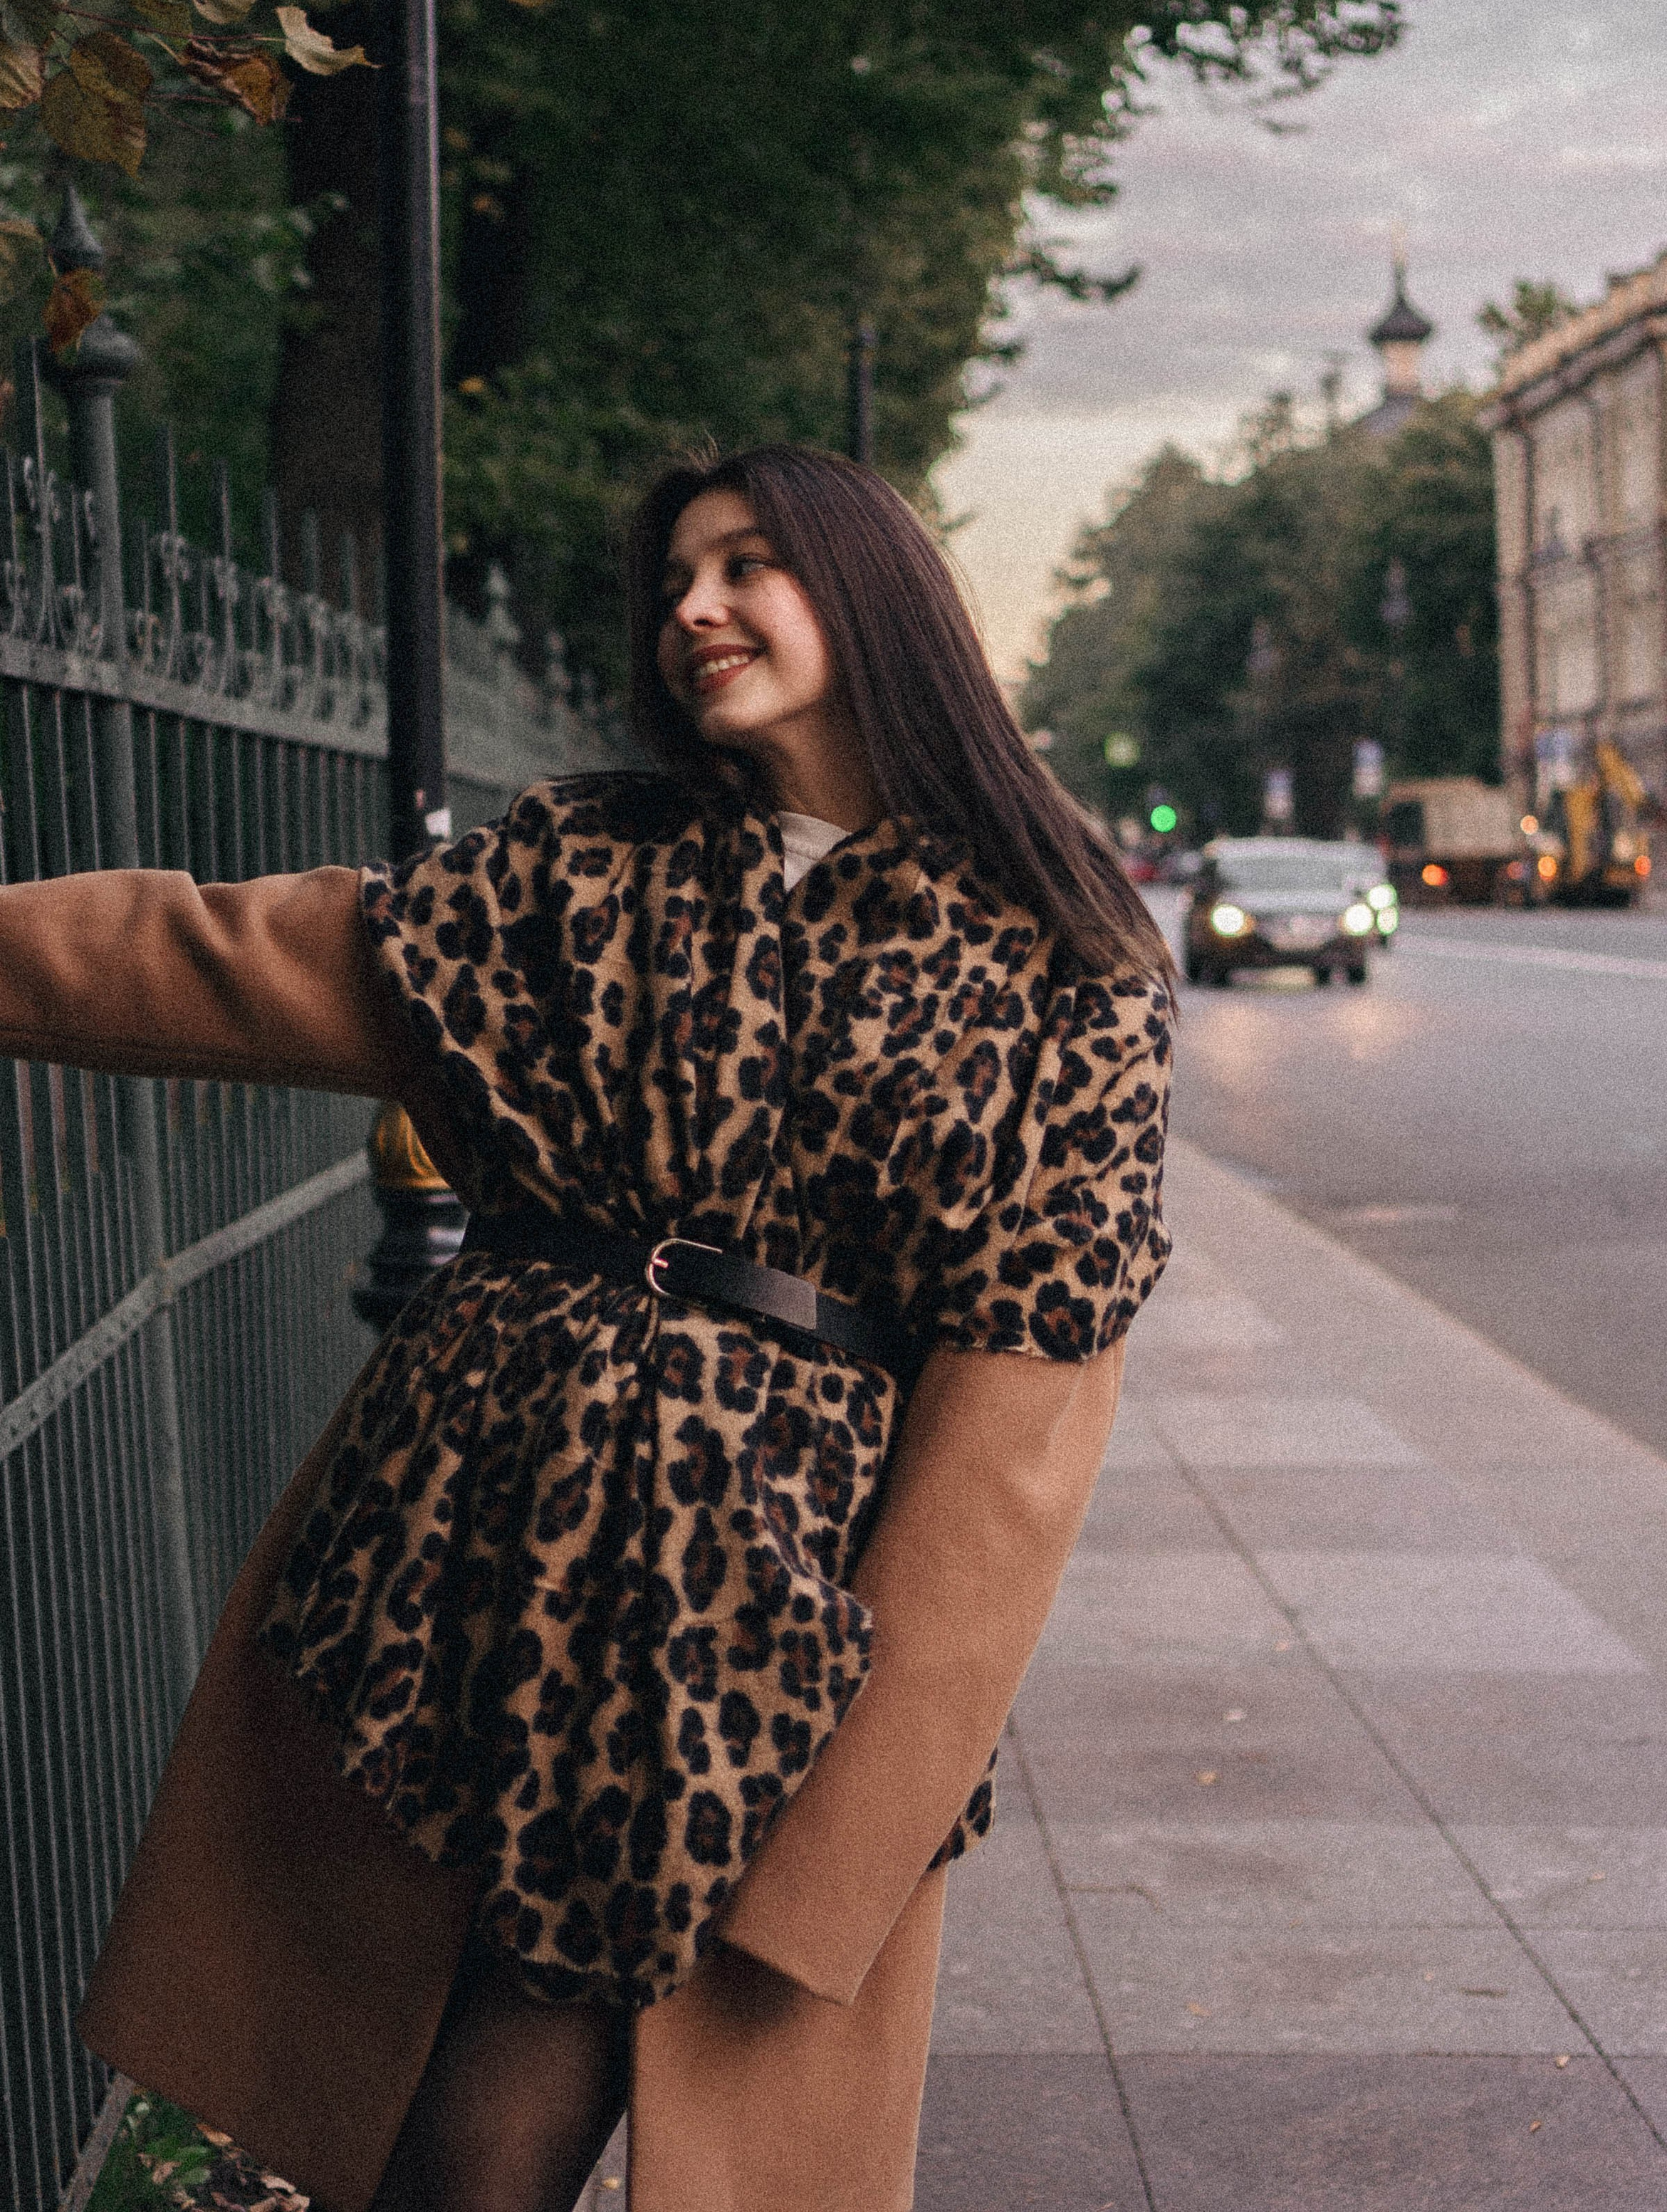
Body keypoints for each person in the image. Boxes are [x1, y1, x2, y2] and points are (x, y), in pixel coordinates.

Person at [14, 445, 1172, 2212]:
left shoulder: (1061, 964)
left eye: (749, 564)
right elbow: (224, 958)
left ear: (880, 596)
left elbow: (1016, 1439)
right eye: (677, 578)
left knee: (490, 2141)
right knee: (426, 2123)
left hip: (758, 1632)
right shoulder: (587, 872)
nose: (692, 609)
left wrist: (852, 1829)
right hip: (467, 1563)